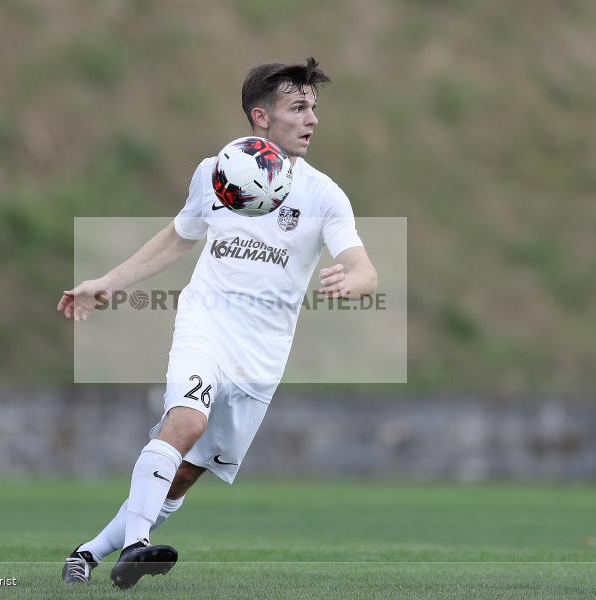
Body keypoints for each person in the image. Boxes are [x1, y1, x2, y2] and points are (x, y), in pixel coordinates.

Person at [57, 56, 377, 590]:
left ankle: (87, 554)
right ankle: (137, 546)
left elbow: (364, 266)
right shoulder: (216, 172)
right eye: (298, 107)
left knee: (181, 477)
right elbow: (180, 235)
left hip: (262, 354)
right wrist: (108, 282)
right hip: (206, 320)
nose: (312, 119)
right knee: (185, 423)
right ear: (261, 117)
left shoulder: (324, 194)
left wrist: (354, 281)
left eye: (314, 108)